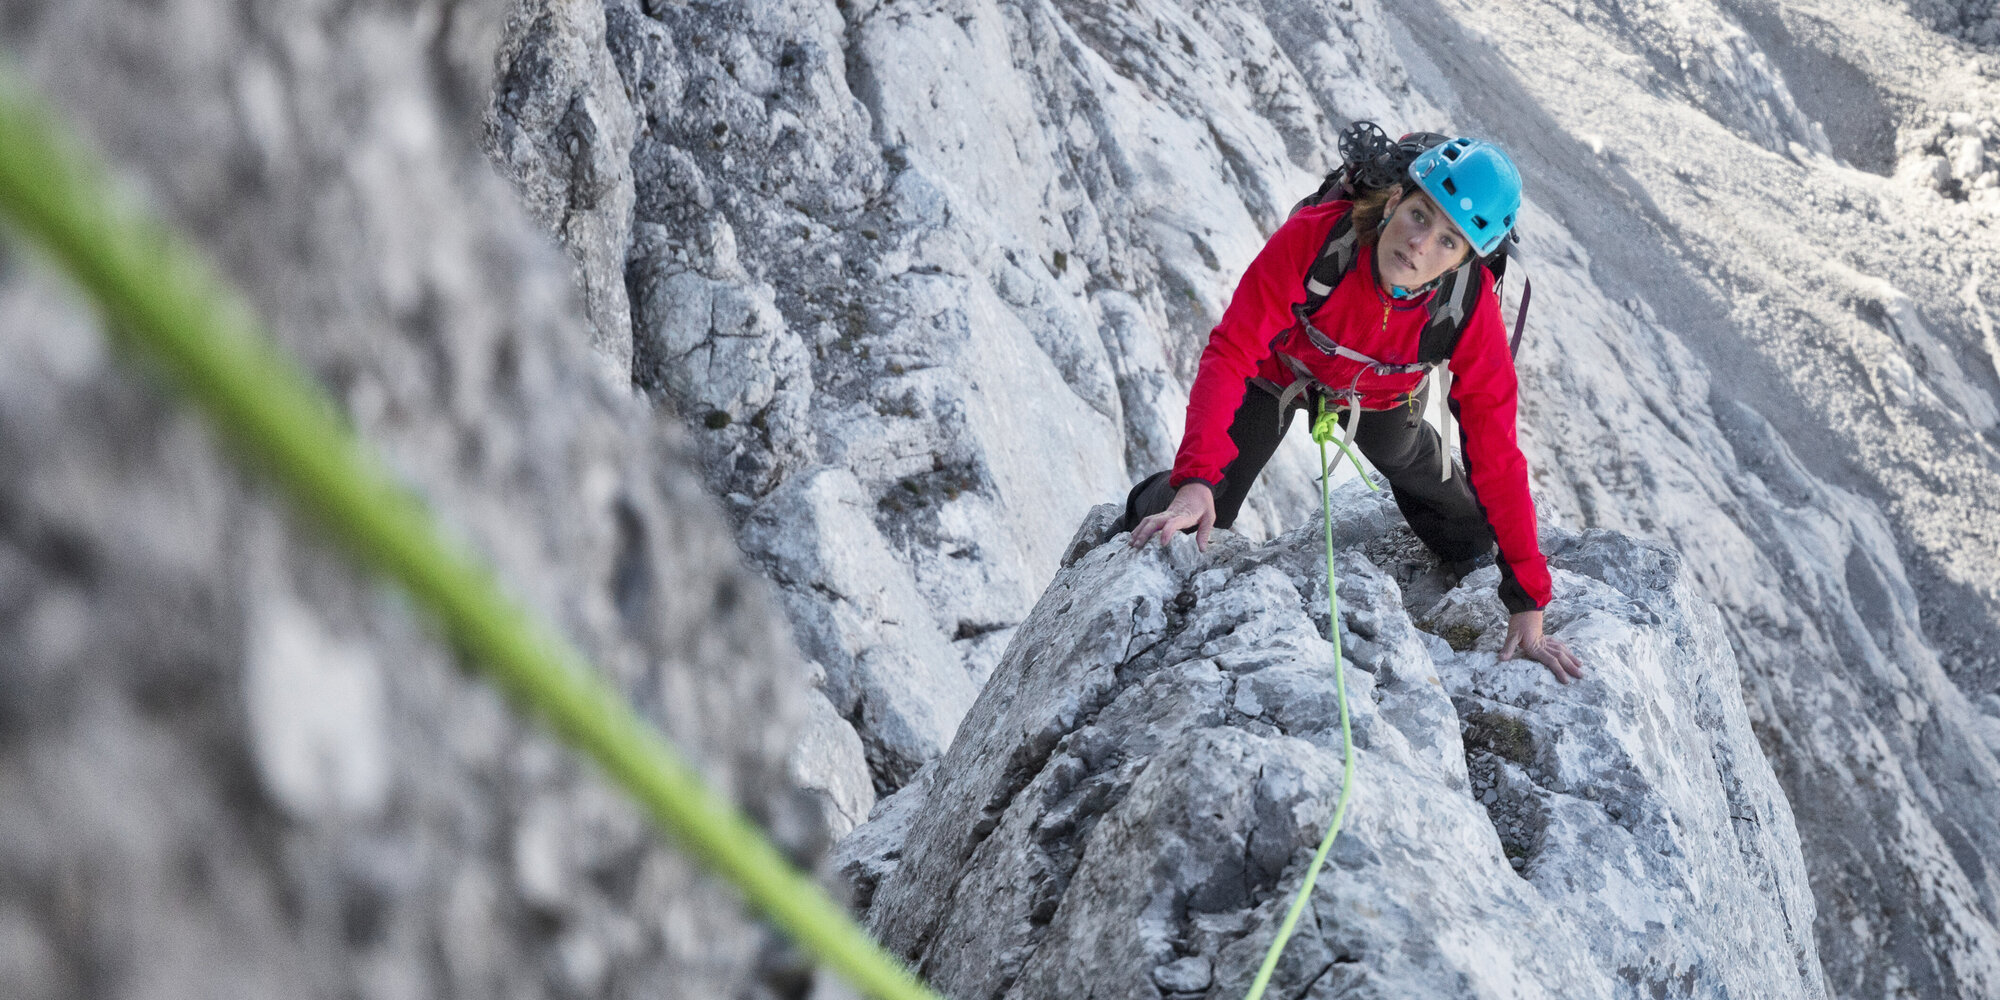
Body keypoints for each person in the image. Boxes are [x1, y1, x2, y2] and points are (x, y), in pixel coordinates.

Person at [1122, 135, 1586, 684]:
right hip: (1278, 373)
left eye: (1448, 241)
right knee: (1207, 506)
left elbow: (1495, 448)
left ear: (1464, 260)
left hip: (1378, 394)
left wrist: (1528, 597)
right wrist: (1196, 477)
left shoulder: (1467, 305)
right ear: (1393, 201)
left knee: (1449, 511)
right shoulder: (1319, 239)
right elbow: (1232, 351)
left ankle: (1465, 545)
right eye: (1419, 214)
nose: (1419, 245)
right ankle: (1143, 513)